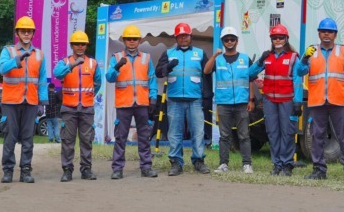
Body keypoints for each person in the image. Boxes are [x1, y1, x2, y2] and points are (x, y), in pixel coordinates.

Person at [299, 18, 344, 182]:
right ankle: (319, 170)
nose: (327, 34)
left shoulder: (343, 51)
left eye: (330, 31)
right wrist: (304, 59)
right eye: (323, 31)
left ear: (335, 34)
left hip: (339, 101)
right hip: (318, 101)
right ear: (319, 33)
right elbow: (299, 71)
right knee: (317, 136)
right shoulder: (311, 52)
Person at [248, 24, 307, 176]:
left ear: (286, 39)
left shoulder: (293, 57)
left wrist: (297, 101)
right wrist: (260, 60)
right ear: (271, 40)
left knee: (287, 132)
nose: (278, 40)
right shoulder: (267, 57)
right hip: (270, 101)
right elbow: (249, 73)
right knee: (273, 133)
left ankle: (287, 165)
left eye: (281, 37)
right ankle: (277, 164)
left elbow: (297, 80)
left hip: (287, 101)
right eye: (275, 38)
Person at [155, 22, 211, 176]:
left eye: (185, 35)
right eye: (180, 36)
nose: (183, 38)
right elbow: (158, 72)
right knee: (174, 132)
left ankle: (198, 161)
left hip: (195, 99)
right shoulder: (168, 53)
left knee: (198, 132)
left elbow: (207, 75)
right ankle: (176, 163)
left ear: (190, 36)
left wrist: (207, 96)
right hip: (174, 99)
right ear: (176, 38)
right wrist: (168, 67)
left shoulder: (200, 53)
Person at [0, 16, 49, 183]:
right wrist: (16, 60)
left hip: (31, 102)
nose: (26, 33)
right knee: (10, 137)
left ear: (33, 33)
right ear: (17, 33)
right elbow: (1, 69)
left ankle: (26, 171)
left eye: (29, 31)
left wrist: (43, 101)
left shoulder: (39, 54)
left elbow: (42, 80)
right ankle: (7, 171)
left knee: (28, 138)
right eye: (23, 31)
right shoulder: (8, 51)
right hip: (11, 102)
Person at [106, 24, 159, 179]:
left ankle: (146, 167)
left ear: (139, 40)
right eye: (128, 39)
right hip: (124, 103)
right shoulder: (116, 57)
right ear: (124, 40)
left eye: (134, 39)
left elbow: (152, 79)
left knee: (144, 136)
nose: (131, 41)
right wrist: (116, 67)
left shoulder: (146, 58)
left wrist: (153, 98)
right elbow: (109, 78)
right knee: (120, 137)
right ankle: (117, 169)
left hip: (142, 103)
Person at [203, 27, 255, 174]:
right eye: (226, 39)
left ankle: (247, 164)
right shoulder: (218, 60)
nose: (230, 42)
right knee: (224, 136)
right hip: (223, 103)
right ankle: (223, 164)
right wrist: (214, 55)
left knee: (244, 135)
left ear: (237, 41)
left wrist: (251, 99)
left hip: (242, 103)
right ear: (223, 42)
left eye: (232, 39)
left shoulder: (245, 59)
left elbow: (251, 79)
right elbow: (206, 71)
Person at [53, 30, 102, 182]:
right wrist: (72, 65)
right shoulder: (65, 62)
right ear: (71, 46)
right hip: (69, 108)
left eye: (83, 44)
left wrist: (89, 96)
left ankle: (86, 169)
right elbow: (57, 74)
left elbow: (98, 82)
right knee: (68, 140)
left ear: (86, 46)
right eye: (77, 44)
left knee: (86, 140)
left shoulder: (93, 63)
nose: (80, 46)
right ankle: (67, 170)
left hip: (87, 108)